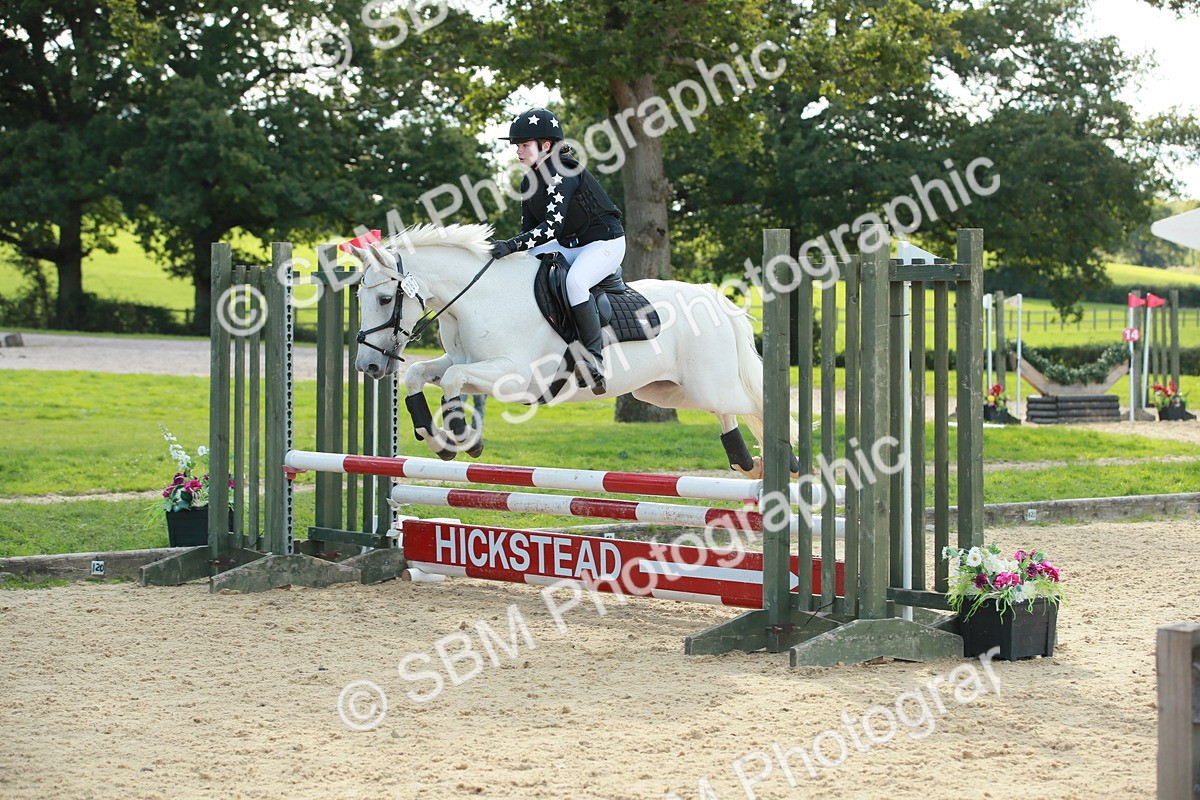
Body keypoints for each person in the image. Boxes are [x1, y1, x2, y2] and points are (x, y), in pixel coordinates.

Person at [490, 108, 625, 394]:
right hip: (569, 244)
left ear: (546, 146)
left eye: (524, 145)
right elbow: (531, 234)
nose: (518, 151)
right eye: (517, 146)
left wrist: (511, 245)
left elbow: (550, 227)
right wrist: (508, 252)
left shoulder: (564, 170)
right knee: (524, 265)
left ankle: (593, 360)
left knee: (575, 283)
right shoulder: (529, 181)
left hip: (605, 243)